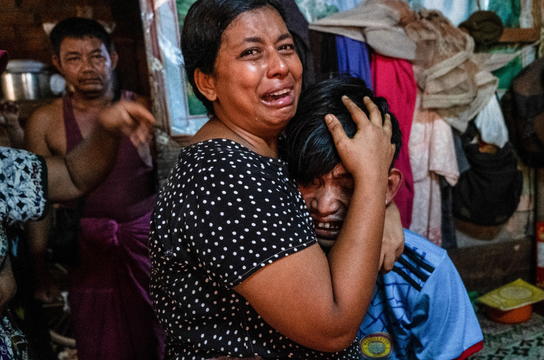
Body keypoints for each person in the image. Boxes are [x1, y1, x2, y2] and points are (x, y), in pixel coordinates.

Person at [149, 0, 398, 358]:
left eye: (285, 48)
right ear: (207, 82)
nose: (280, 67)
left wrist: (385, 210)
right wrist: (373, 180)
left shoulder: (268, 146)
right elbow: (333, 327)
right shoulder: (225, 176)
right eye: (252, 53)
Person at [282, 76, 484, 360]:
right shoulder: (275, 257)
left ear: (388, 187)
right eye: (308, 181)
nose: (325, 206)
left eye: (348, 185)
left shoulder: (425, 272)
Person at [1, 47, 155, 360]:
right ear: (58, 63)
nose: (87, 67)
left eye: (96, 56)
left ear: (113, 58)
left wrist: (107, 128)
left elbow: (72, 177)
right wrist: (41, 267)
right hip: (88, 258)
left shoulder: (4, 167)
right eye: (74, 58)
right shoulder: (47, 119)